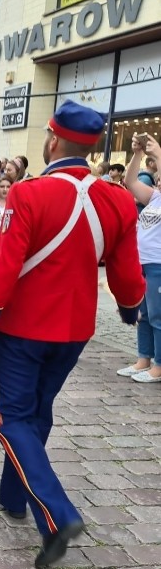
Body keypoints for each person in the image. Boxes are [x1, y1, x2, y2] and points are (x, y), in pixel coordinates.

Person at [0, 100, 145, 569]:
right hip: (75, 330)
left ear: (54, 140)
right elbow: (126, 274)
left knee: (9, 416)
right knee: (35, 411)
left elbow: (5, 269)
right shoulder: (118, 198)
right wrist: (128, 308)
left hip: (21, 328)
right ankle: (12, 494)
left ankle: (56, 515)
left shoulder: (29, 193)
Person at [121, 133, 161, 383]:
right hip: (143, 263)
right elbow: (129, 180)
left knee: (158, 316)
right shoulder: (155, 197)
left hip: (158, 265)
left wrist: (157, 153)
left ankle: (159, 365)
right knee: (144, 314)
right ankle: (143, 359)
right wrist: (137, 154)